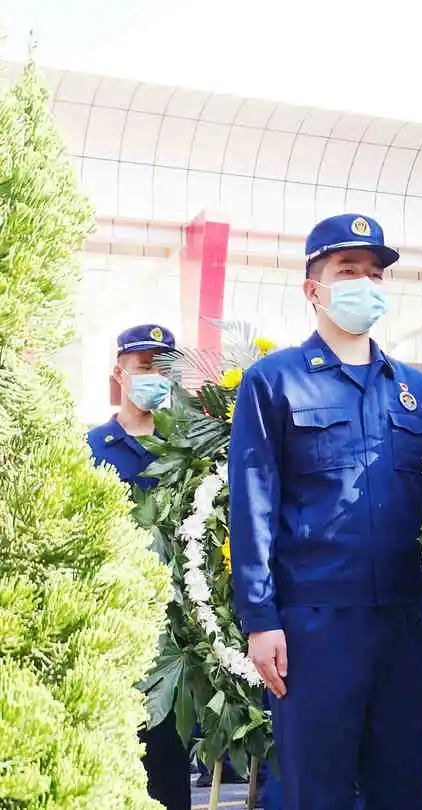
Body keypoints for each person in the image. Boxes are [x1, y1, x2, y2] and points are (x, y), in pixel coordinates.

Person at [229, 214, 422, 810]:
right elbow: (253, 505)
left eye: (375, 274)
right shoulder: (273, 382)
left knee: (399, 787)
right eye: (348, 272)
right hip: (313, 625)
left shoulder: (419, 391)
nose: (366, 285)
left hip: (403, 621)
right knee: (314, 790)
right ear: (313, 289)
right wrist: (259, 617)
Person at [87, 324, 191, 810]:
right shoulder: (92, 448)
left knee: (170, 759)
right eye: (144, 367)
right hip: (117, 624)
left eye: (163, 368)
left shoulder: (190, 448)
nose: (155, 376)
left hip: (178, 631)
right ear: (119, 374)